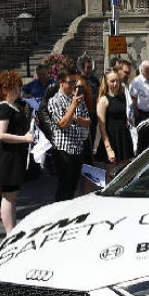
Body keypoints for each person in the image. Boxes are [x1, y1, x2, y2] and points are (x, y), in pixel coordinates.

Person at [0, 70, 33, 234]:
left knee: (12, 195)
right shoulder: (4, 108)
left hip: (15, 155)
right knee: (8, 196)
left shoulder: (15, 106)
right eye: (13, 87)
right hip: (7, 157)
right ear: (4, 90)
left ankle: (12, 229)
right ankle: (9, 231)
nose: (17, 90)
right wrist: (24, 139)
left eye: (18, 87)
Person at [48, 65, 90, 202]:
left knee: (72, 187)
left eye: (74, 82)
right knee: (64, 188)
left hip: (77, 148)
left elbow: (88, 122)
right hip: (63, 150)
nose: (73, 86)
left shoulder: (77, 99)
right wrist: (73, 107)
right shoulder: (55, 101)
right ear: (61, 83)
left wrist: (75, 118)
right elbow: (63, 124)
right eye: (70, 82)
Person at [96, 70, 135, 175]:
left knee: (125, 175)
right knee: (111, 175)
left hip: (124, 138)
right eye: (112, 81)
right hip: (111, 139)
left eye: (117, 81)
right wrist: (108, 149)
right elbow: (102, 128)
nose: (115, 84)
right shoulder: (103, 100)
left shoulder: (123, 97)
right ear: (106, 82)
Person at [129, 60, 149, 124]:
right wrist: (137, 114)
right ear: (141, 70)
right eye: (147, 69)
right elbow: (133, 100)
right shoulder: (136, 82)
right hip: (143, 115)